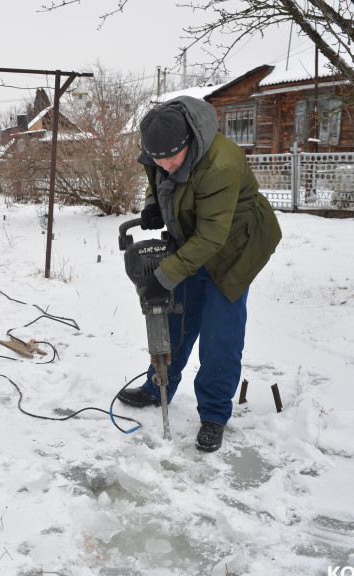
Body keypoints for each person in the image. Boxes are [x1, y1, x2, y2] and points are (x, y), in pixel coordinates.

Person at [118, 96, 282, 453]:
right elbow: (158, 178)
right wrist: (151, 204)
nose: (163, 164)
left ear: (188, 142)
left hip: (234, 248)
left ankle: (213, 414)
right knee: (176, 318)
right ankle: (157, 384)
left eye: (171, 158)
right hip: (191, 240)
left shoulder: (220, 164)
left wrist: (164, 275)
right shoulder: (160, 148)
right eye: (156, 158)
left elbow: (212, 237)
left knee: (218, 333)